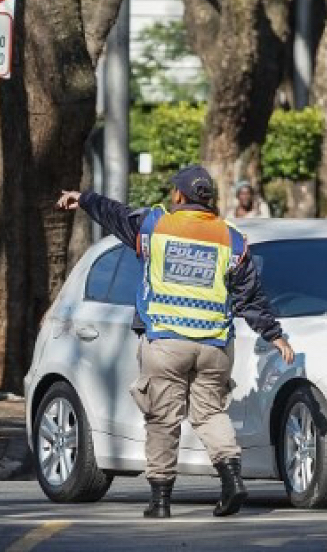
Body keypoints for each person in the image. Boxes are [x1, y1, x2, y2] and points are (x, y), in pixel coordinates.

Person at [56, 166, 295, 519]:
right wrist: (274, 335)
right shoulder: (233, 239)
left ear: (180, 196)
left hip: (166, 340)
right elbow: (249, 297)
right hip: (214, 344)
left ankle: (160, 500)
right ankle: (231, 480)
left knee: (163, 419)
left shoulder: (155, 225)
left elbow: (115, 214)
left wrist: (85, 199)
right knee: (211, 413)